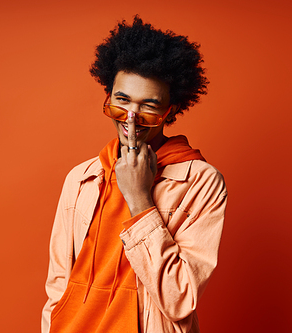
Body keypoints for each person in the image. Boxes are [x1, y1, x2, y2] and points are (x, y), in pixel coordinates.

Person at [42, 16, 227, 333]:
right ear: (108, 96)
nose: (131, 118)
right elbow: (59, 286)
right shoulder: (81, 179)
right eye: (121, 100)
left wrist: (140, 198)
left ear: (170, 110)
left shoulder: (201, 182)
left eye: (149, 105)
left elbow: (179, 299)